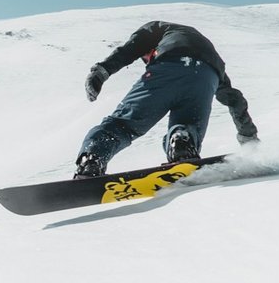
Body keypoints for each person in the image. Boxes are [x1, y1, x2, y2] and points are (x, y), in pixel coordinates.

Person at [75, 21, 260, 178]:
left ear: (152, 50)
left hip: (169, 66)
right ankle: (182, 143)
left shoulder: (159, 29)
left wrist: (100, 72)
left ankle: (92, 158)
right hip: (206, 77)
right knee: (188, 124)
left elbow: (129, 49)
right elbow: (235, 100)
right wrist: (248, 138)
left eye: (146, 59)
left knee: (124, 124)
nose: (147, 61)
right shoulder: (214, 61)